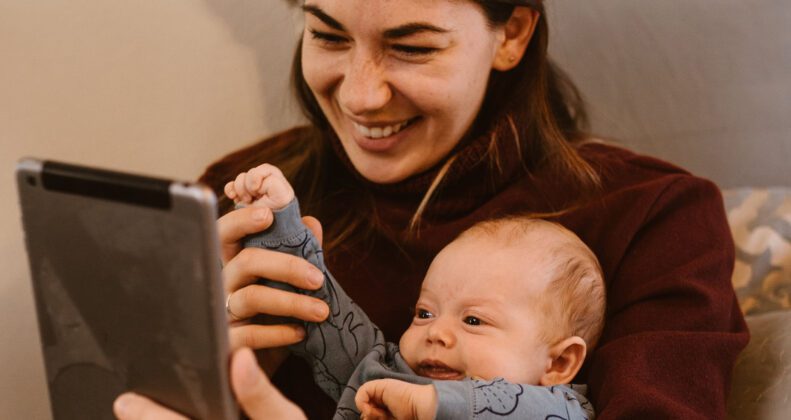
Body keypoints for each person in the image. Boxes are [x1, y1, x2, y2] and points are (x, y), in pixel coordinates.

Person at [117, 0, 748, 418]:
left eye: (413, 48)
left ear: (512, 34)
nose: (362, 95)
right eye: (328, 36)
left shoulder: (652, 217)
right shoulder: (236, 197)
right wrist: (200, 375)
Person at [223, 163, 603, 418]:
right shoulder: (389, 376)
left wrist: (433, 404)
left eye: (473, 320)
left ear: (558, 364)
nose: (436, 332)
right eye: (424, 313)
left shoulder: (561, 408)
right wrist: (278, 230)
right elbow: (325, 318)